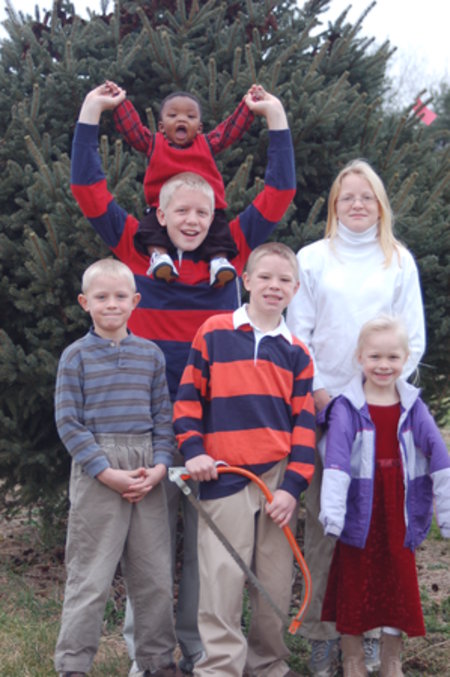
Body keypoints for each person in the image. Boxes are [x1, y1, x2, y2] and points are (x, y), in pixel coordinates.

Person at [71, 82, 296, 676]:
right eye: (181, 212)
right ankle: (147, 654)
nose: (192, 221)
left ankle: (198, 650)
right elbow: (88, 189)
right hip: (146, 425)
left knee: (206, 546)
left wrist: (274, 118)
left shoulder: (234, 249)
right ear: (160, 213)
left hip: (213, 427)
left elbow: (280, 192)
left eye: (202, 212)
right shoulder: (134, 247)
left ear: (215, 214)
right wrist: (92, 112)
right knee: (147, 547)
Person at [285, 159, 426, 677]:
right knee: (328, 526)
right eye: (348, 197)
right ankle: (324, 636)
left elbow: (412, 338)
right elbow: (299, 333)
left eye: (367, 196)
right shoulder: (313, 259)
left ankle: (368, 633)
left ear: (380, 204)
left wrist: (379, 395)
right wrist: (325, 397)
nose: (358, 204)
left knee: (378, 527)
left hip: (381, 412)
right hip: (326, 411)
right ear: (335, 205)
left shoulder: (398, 261)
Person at [173, 242, 316, 677]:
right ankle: (219, 666)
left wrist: (292, 488)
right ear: (247, 280)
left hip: (276, 481)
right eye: (265, 277)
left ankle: (267, 662)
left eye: (284, 280)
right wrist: (194, 451)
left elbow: (305, 427)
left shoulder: (297, 352)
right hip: (224, 474)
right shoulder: (214, 332)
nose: (274, 286)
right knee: (222, 577)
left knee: (273, 579)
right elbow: (188, 399)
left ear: (295, 289)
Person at [54, 258, 179, 677]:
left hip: (146, 472)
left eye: (120, 296)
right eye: (102, 297)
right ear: (84, 302)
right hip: (98, 470)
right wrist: (105, 472)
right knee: (90, 574)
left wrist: (160, 467)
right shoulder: (75, 357)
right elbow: (68, 422)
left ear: (135, 301)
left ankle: (157, 661)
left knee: (154, 574)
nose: (112, 304)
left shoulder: (150, 355)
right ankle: (73, 663)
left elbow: (163, 417)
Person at [318, 315, 450, 677]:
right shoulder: (346, 407)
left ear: (405, 359)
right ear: (360, 357)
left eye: (393, 357)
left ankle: (392, 660)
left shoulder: (413, 407)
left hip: (399, 508)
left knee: (397, 583)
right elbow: (336, 463)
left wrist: (446, 514)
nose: (383, 365)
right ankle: (352, 658)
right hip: (359, 510)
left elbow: (440, 460)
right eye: (375, 356)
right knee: (354, 583)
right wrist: (333, 514)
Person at [111, 81, 259, 286]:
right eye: (173, 115)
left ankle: (219, 262)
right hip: (163, 208)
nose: (181, 119)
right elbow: (132, 130)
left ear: (199, 128)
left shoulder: (206, 144)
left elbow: (229, 131)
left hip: (205, 209)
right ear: (161, 127)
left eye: (190, 116)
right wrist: (120, 102)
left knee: (219, 232)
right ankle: (160, 258)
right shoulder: (154, 144)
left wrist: (248, 106)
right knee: (150, 229)